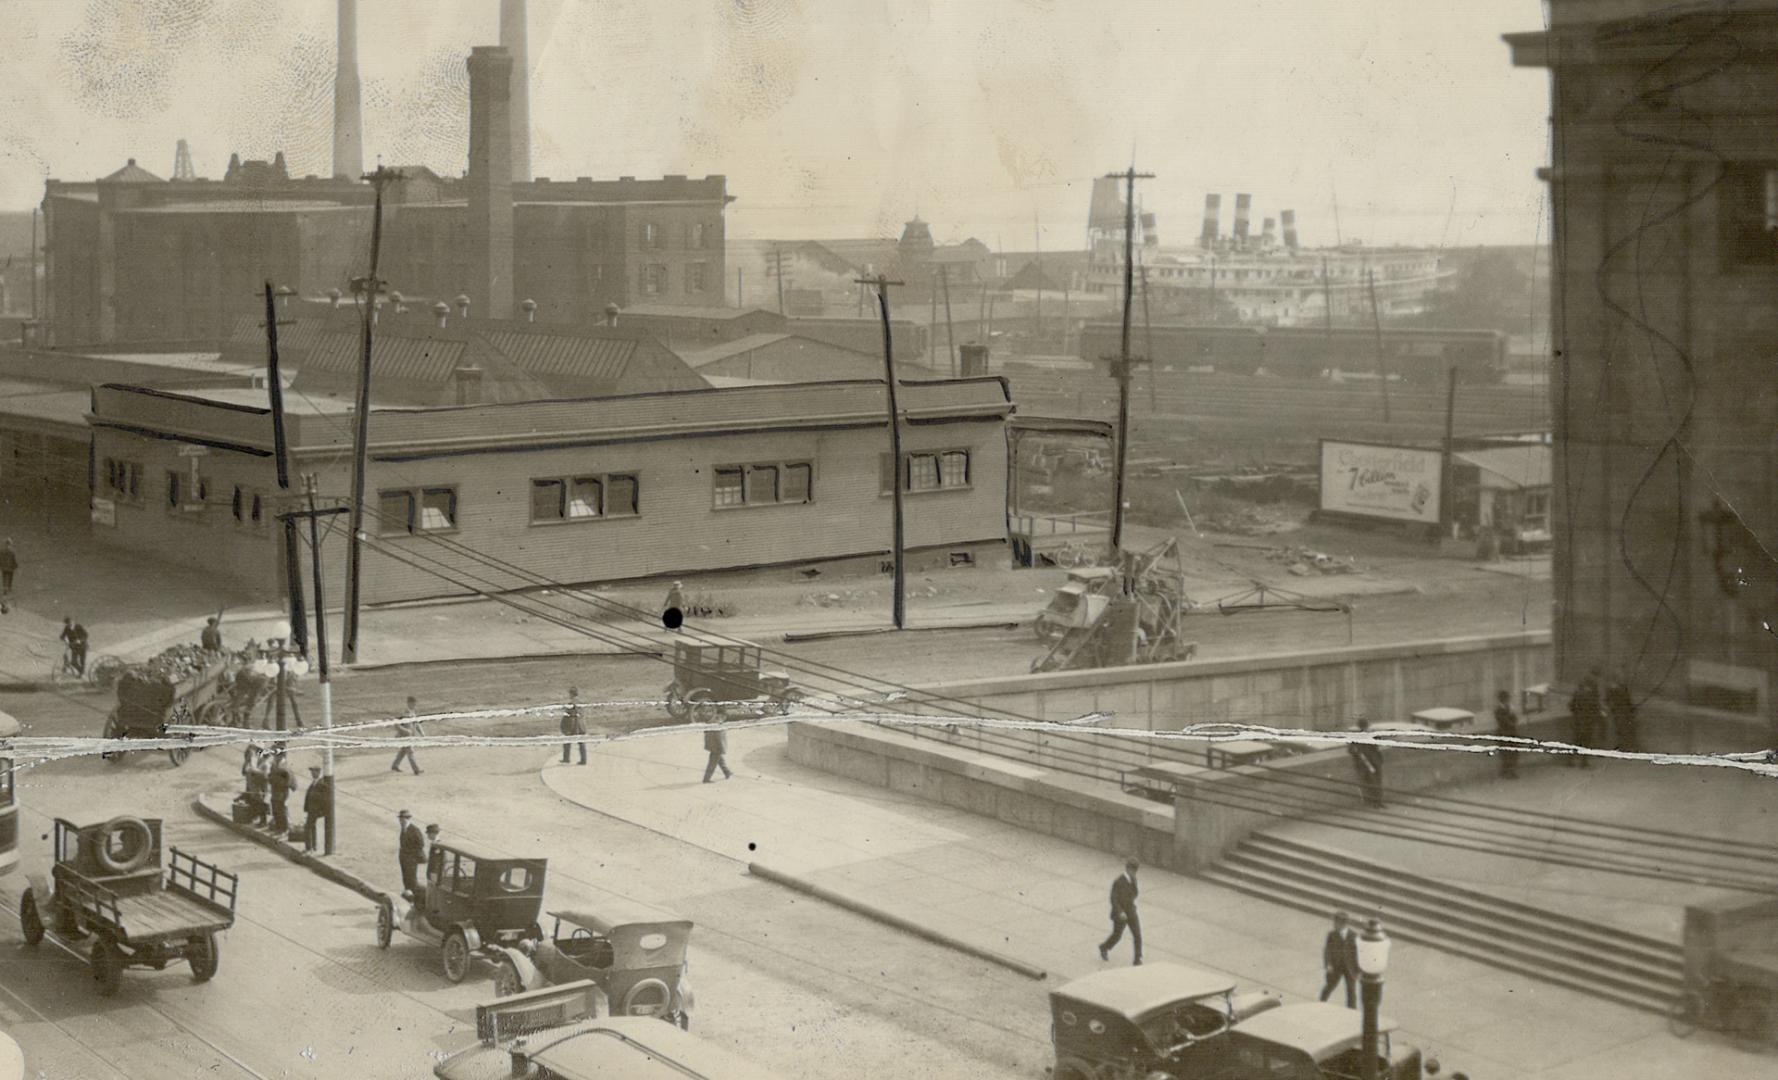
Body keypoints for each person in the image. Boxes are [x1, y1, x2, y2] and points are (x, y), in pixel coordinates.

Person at [1098, 858, 1142, 965]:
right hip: (1120, 914)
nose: (1133, 873)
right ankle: (1104, 947)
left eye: (1135, 870)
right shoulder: (1118, 881)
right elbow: (1114, 899)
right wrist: (1120, 911)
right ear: (1127, 868)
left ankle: (1137, 959)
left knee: (1137, 934)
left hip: (1131, 911)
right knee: (1117, 935)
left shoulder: (1134, 880)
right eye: (1132, 870)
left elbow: (1136, 894)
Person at [1317, 911, 1357, 1008]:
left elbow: (1357, 952)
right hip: (1336, 966)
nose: (1334, 925)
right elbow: (1327, 950)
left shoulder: (1353, 935)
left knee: (1351, 990)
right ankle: (1320, 1003)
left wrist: (1358, 969)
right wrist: (1328, 964)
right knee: (1330, 986)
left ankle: (1351, 1009)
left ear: (1343, 924)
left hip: (1349, 967)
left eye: (1336, 923)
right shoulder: (1332, 934)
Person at [1569, 670, 1601, 769]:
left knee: (1576, 740)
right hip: (1587, 721)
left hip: (1577, 720)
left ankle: (1570, 761)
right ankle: (1583, 762)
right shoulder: (1591, 695)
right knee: (1586, 741)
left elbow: (1571, 706)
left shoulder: (1578, 693)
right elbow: (1595, 708)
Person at [1348, 719, 1385, 808]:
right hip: (1365, 762)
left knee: (1375, 782)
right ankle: (1374, 802)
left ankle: (1377, 801)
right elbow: (1351, 749)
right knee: (1371, 782)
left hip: (1372, 762)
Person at [1606, 671, 1639, 754]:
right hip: (1620, 712)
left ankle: (1625, 746)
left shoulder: (1621, 688)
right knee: (1622, 729)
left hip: (1624, 712)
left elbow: (1627, 701)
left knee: (1625, 729)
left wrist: (1631, 708)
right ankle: (1623, 746)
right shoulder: (1613, 689)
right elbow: (1609, 701)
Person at [397, 810, 425, 900]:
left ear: (407, 819)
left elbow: (420, 844)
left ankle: (414, 896)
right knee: (405, 876)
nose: (401, 821)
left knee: (411, 877)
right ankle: (408, 893)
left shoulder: (414, 830)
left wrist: (412, 854)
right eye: (400, 819)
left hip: (411, 859)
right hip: (404, 858)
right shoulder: (403, 829)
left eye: (402, 819)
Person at [302, 766, 331, 852]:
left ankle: (309, 848)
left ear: (318, 772)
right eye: (311, 772)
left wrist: (321, 810)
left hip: (316, 810)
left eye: (314, 771)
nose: (312, 773)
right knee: (311, 827)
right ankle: (313, 847)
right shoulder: (314, 783)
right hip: (311, 809)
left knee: (308, 827)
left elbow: (324, 799)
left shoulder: (321, 784)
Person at [1494, 689, 1521, 780]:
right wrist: (1511, 722)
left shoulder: (1510, 708)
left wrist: (1513, 721)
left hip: (1512, 732)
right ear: (1501, 699)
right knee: (1506, 753)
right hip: (1504, 733)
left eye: (1507, 698)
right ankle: (1507, 771)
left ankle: (1510, 770)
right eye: (1505, 699)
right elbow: (1503, 720)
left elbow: (1515, 718)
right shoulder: (1499, 710)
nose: (1507, 700)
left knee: (1513, 751)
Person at [391, 696, 422, 775]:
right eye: (412, 703)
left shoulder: (413, 712)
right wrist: (405, 730)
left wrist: (421, 732)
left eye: (415, 704)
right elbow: (396, 724)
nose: (414, 705)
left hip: (410, 736)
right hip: (403, 736)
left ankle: (395, 765)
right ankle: (416, 770)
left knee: (403, 751)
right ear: (408, 703)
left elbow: (416, 723)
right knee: (410, 752)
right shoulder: (403, 713)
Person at [267, 749, 294, 835]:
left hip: (282, 792)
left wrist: (276, 781)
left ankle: (284, 829)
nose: (275, 757)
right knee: (275, 810)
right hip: (275, 791)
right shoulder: (274, 764)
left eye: (276, 755)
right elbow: (270, 775)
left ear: (281, 756)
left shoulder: (285, 766)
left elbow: (288, 781)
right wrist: (271, 779)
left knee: (282, 811)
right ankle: (278, 828)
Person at [561, 687, 587, 765]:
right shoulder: (581, 703)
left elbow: (569, 716)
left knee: (567, 742)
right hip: (582, 725)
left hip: (573, 725)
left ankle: (566, 758)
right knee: (581, 743)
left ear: (571, 694)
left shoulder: (571, 704)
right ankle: (583, 760)